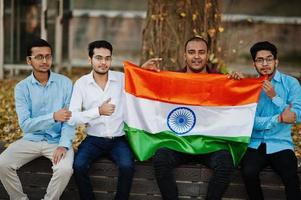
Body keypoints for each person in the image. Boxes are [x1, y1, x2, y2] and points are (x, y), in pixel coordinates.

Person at [142, 36, 236, 200]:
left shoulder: (220, 80)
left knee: (226, 162)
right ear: (184, 55)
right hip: (179, 143)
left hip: (209, 145)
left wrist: (237, 84)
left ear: (207, 55)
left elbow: (235, 107)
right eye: (192, 52)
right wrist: (143, 73)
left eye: (201, 52)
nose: (197, 57)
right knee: (161, 157)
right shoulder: (173, 79)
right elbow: (147, 96)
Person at [0, 38, 75, 200]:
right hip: (31, 139)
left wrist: (63, 145)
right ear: (29, 60)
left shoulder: (66, 84)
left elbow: (70, 121)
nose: (45, 61)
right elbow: (26, 125)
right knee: (2, 163)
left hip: (57, 141)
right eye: (39, 57)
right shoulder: (21, 88)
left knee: (65, 169)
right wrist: (53, 117)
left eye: (48, 56)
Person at [68, 40, 135, 200]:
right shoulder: (81, 84)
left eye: (107, 58)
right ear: (90, 59)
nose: (103, 62)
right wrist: (98, 111)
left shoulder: (122, 79)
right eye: (99, 58)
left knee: (127, 166)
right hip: (94, 139)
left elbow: (140, 82)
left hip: (118, 139)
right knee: (78, 165)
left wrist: (145, 70)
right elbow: (73, 117)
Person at [241, 41, 301, 200]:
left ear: (276, 61)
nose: (265, 64)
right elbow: (251, 122)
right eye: (260, 60)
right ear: (254, 64)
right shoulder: (249, 87)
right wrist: (279, 118)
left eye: (269, 59)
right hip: (255, 143)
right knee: (248, 172)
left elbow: (296, 116)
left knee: (290, 174)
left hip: (280, 142)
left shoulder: (291, 83)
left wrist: (275, 97)